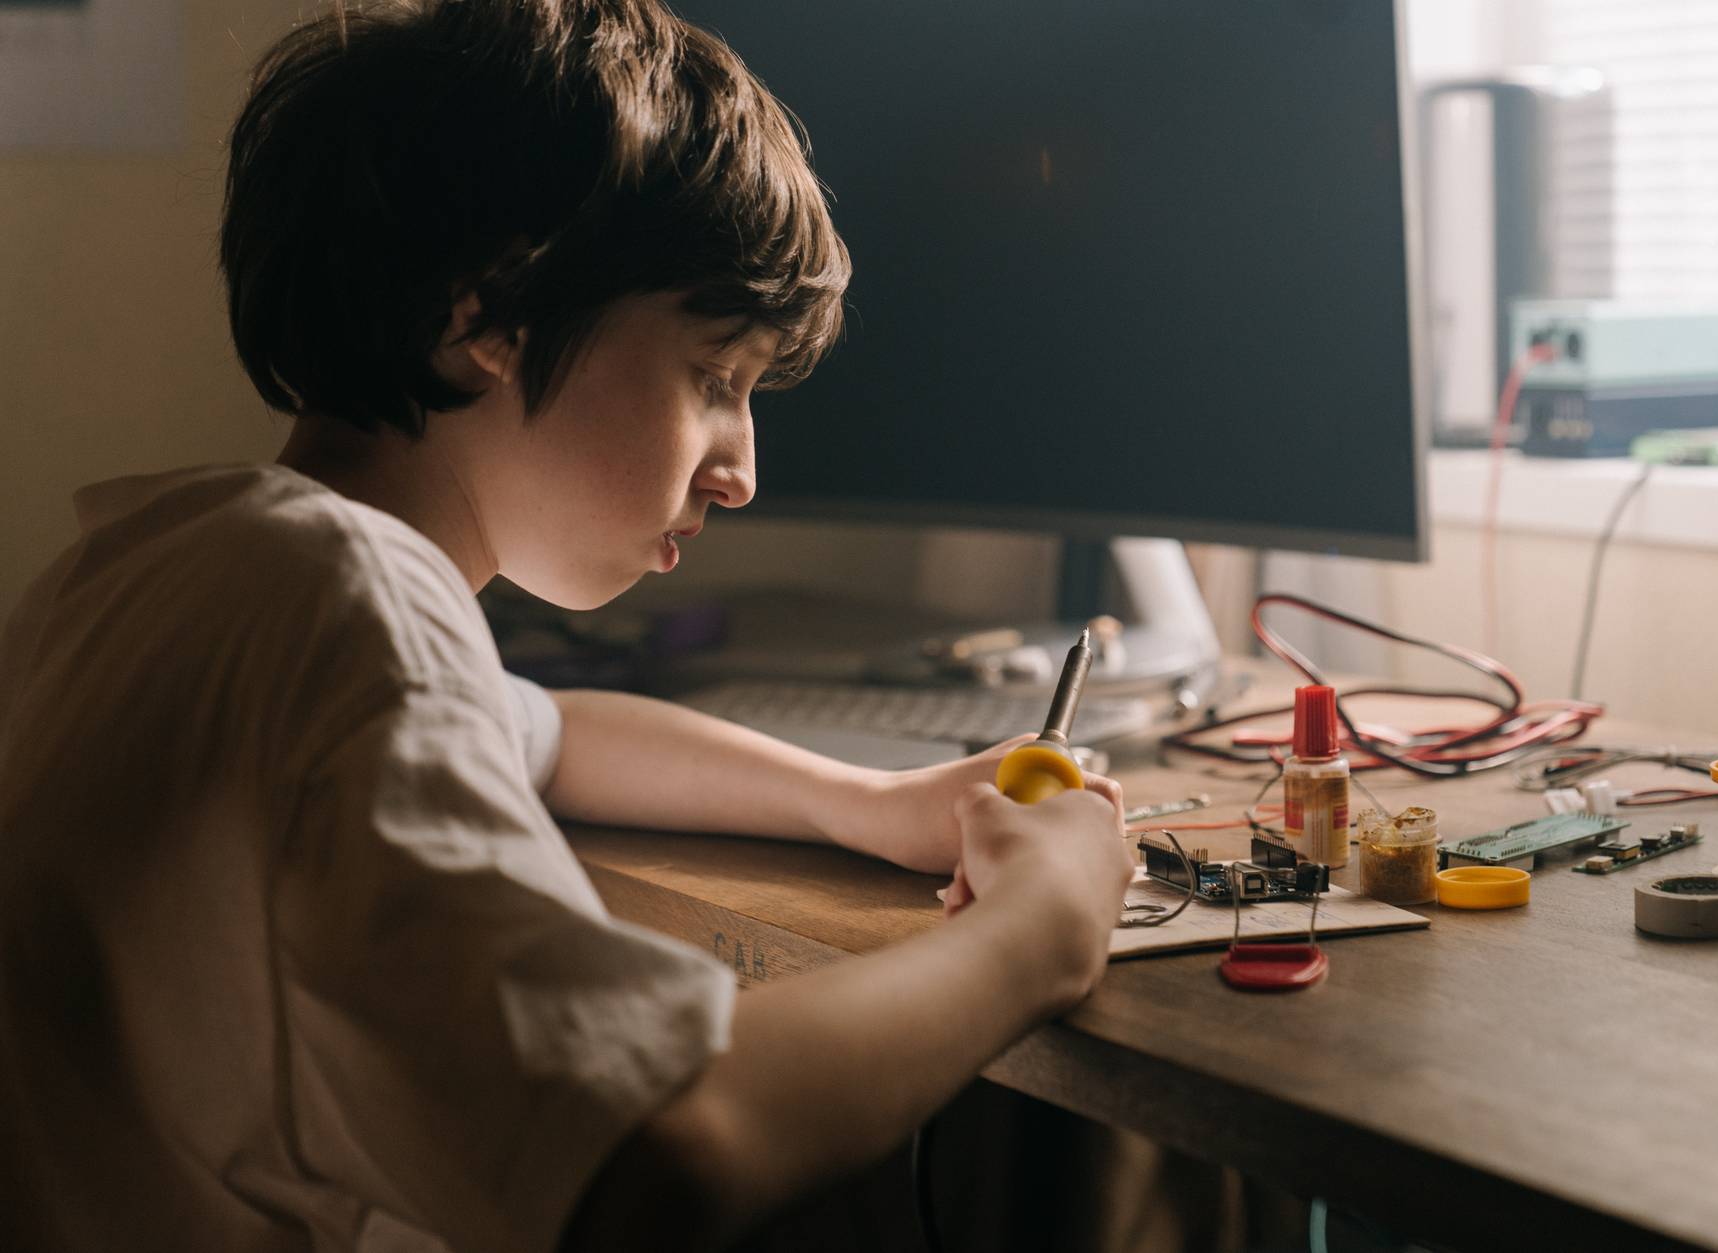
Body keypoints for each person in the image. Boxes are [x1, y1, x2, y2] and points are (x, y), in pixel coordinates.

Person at [0, 1, 1135, 1249]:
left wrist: (865, 801)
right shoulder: (344, 601)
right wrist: (1042, 930)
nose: (740, 469)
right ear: (485, 318)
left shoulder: (157, 572)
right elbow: (666, 1150)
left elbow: (553, 732)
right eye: (713, 378)